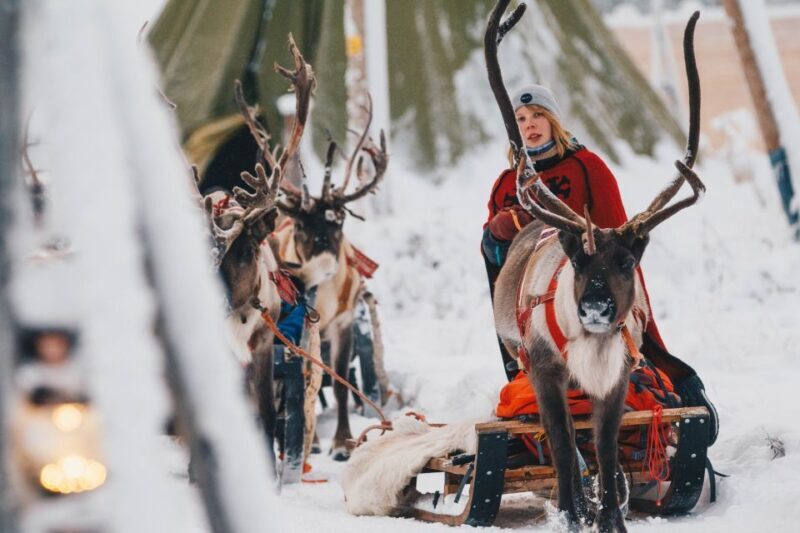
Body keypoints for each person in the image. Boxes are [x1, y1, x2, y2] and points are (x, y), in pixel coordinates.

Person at [481, 85, 666, 379]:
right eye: (521, 119)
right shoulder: (507, 184)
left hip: (588, 298)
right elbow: (494, 260)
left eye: (538, 115)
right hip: (532, 307)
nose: (530, 124)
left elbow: (617, 242)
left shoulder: (587, 168)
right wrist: (498, 233)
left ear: (553, 119)